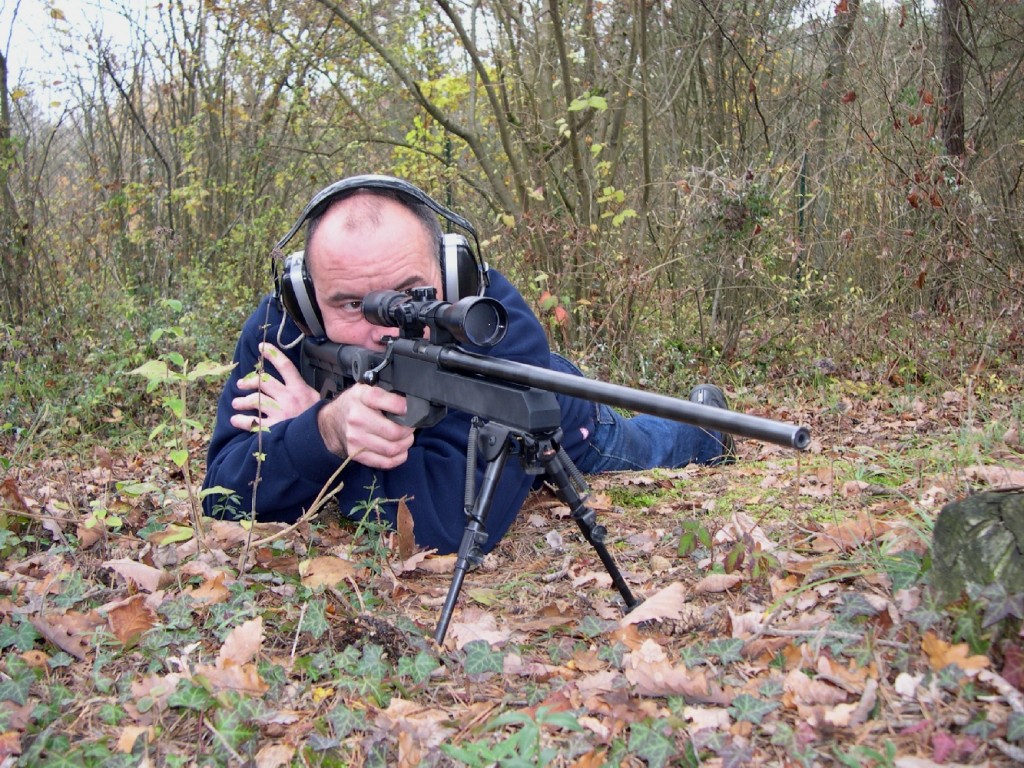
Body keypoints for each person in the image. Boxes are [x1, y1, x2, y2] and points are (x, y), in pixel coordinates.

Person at [204, 175, 734, 555]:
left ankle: (707, 427)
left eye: (410, 294)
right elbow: (222, 493)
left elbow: (443, 527)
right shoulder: (282, 327)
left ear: (451, 275)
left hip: (558, 415)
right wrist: (323, 431)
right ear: (305, 295)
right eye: (349, 304)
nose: (386, 326)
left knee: (641, 445)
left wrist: (302, 444)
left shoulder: (495, 322)